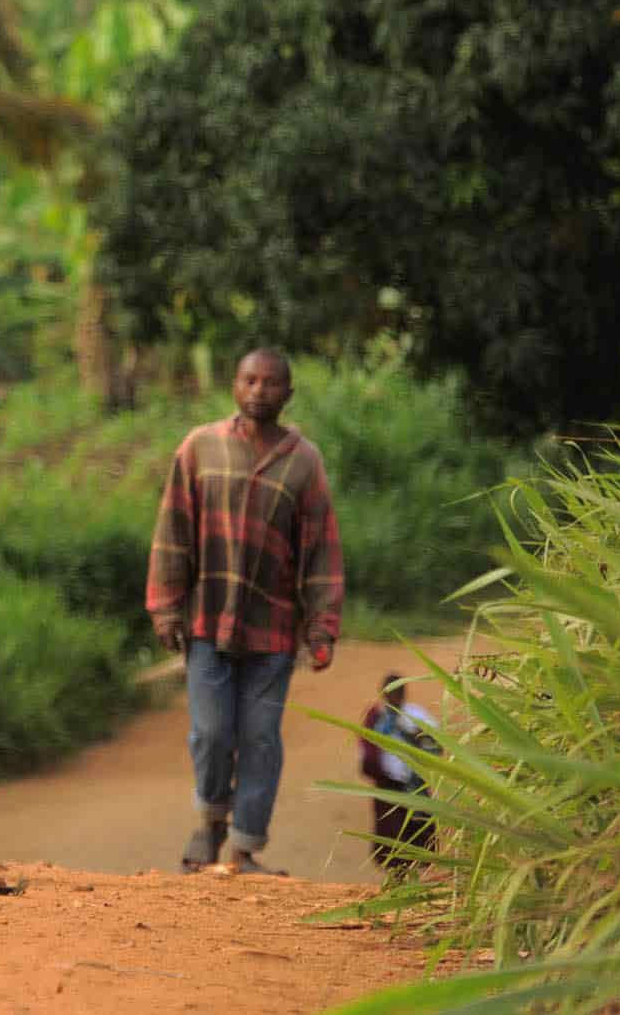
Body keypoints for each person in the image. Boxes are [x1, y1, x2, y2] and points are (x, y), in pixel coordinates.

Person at [145, 346, 346, 878]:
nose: (259, 391)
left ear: (288, 392)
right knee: (211, 733)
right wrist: (166, 608)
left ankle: (244, 846)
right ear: (235, 386)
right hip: (207, 621)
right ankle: (210, 819)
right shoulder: (200, 448)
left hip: (273, 627)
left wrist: (322, 625)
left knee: (260, 735)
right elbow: (173, 532)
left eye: (271, 383)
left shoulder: (304, 461)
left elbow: (321, 550)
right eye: (249, 381)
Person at [356, 671, 442, 871]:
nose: (392, 697)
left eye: (397, 692)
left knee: (418, 837)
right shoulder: (377, 719)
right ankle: (396, 882)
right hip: (388, 787)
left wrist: (411, 734)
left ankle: (416, 882)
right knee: (391, 839)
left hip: (415, 785)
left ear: (404, 693)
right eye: (388, 693)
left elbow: (436, 746)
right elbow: (365, 749)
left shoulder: (417, 715)